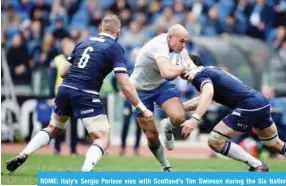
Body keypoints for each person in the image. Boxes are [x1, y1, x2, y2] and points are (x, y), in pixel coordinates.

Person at [6, 15, 153, 173]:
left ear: (100, 29)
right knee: (102, 138)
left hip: (65, 89)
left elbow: (63, 72)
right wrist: (141, 107)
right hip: (85, 92)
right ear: (118, 32)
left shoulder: (84, 42)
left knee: (53, 128)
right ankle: (85, 172)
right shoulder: (114, 47)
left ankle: (23, 154)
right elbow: (124, 84)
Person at [180, 56, 286, 171]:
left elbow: (207, 96)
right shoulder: (212, 71)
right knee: (275, 143)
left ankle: (257, 165)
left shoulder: (199, 75)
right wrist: (179, 108)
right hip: (260, 102)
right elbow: (203, 98)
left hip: (248, 106)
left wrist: (195, 118)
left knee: (215, 140)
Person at [129, 24, 195, 171]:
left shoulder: (180, 48)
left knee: (179, 117)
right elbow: (167, 73)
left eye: (185, 41)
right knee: (151, 136)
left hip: (161, 86)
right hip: (140, 90)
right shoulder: (158, 45)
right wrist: (184, 69)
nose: (183, 45)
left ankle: (168, 125)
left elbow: (190, 65)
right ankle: (165, 165)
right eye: (181, 41)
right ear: (170, 37)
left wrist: (192, 72)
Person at [49, 38, 78, 155]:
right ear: (63, 48)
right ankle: (57, 148)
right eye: (68, 46)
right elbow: (51, 80)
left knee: (74, 124)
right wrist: (51, 95)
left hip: (75, 95)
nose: (70, 49)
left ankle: (73, 149)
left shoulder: (78, 59)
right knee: (58, 124)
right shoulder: (57, 60)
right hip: (60, 96)